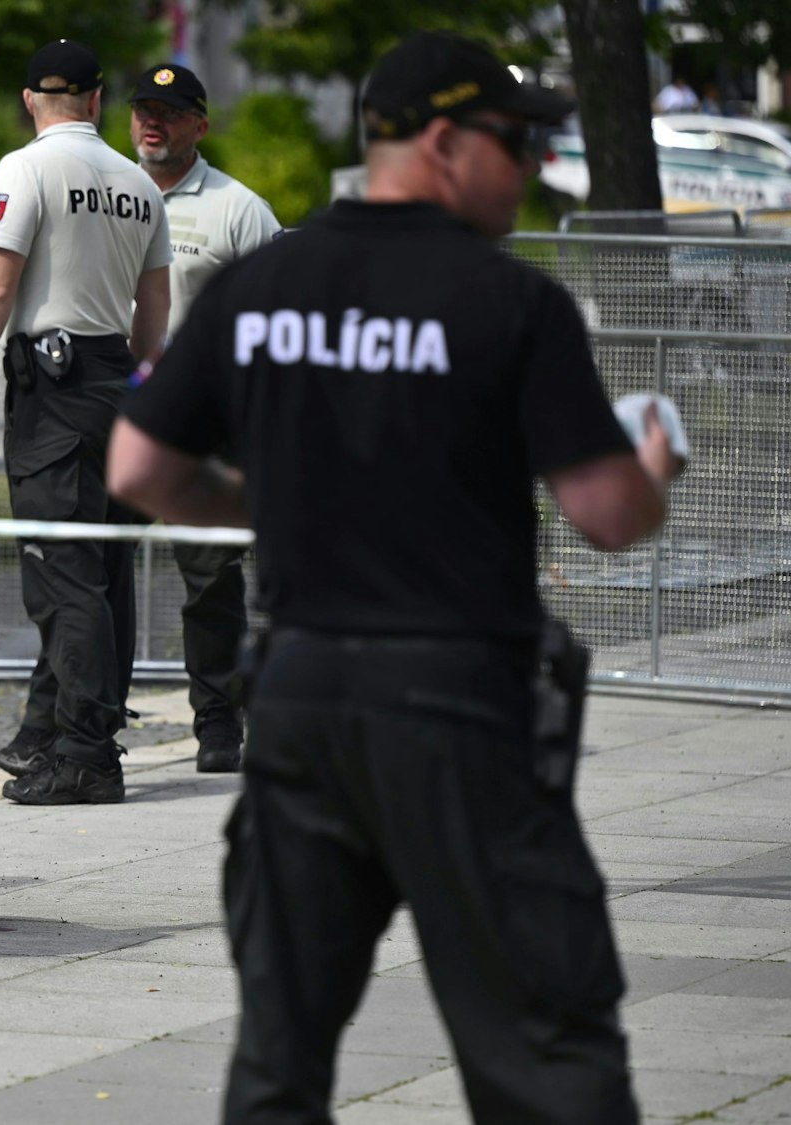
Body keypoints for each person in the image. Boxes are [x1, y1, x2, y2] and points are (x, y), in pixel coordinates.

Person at [109, 32, 680, 1123]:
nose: (529, 169)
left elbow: (138, 467)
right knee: (540, 1042)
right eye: (515, 143)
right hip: (458, 704)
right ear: (442, 140)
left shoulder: (257, 285)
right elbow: (606, 514)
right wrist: (654, 467)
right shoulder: (506, 301)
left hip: (301, 703)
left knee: (280, 1048)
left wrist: (261, 509)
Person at [0, 39, 171, 806]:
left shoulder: (27, 167)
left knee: (61, 574)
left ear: (31, 99)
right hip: (118, 382)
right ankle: (59, 732)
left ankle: (86, 753)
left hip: (53, 389)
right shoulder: (139, 183)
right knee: (102, 572)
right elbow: (155, 313)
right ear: (99, 101)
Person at [129, 63, 280, 773]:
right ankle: (88, 729)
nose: (152, 122)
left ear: (200, 123)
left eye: (170, 111)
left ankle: (219, 723)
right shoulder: (109, 193)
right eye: (142, 110)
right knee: (90, 575)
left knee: (211, 581)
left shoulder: (238, 209)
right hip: (115, 413)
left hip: (207, 423)